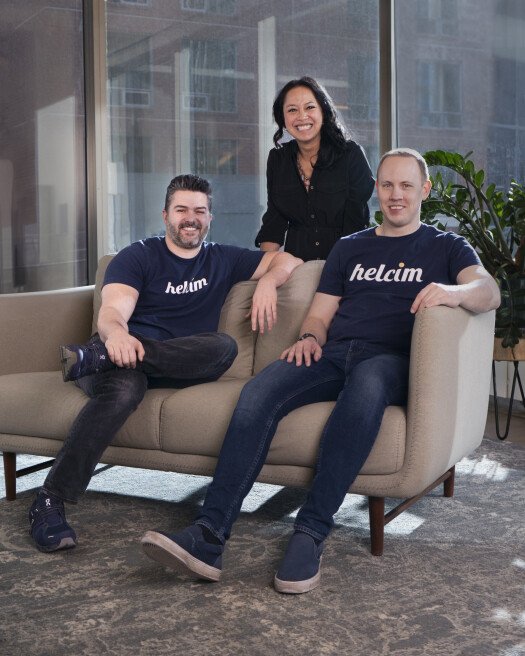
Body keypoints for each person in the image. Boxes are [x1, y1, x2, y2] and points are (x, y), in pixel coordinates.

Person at [140, 149, 500, 594]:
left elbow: (489, 291)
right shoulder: (350, 247)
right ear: (376, 190)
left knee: (367, 386)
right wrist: (309, 337)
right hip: (333, 353)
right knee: (259, 391)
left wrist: (451, 290)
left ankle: (310, 532)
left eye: (406, 185)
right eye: (387, 184)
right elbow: (320, 316)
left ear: (424, 190)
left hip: (391, 359)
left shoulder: (446, 246)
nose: (395, 194)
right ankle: (209, 534)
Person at [29, 174, 302, 553]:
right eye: (181, 210)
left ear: (209, 218)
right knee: (127, 387)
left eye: (199, 211)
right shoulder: (138, 255)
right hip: (118, 356)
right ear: (165, 215)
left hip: (174, 363)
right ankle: (48, 503)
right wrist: (117, 339)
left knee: (223, 347)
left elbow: (288, 258)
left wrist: (269, 282)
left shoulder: (223, 258)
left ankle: (94, 359)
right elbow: (111, 313)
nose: (190, 218)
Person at [255, 76, 375, 261]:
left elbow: (356, 222)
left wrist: (342, 273)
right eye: (292, 110)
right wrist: (263, 270)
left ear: (323, 111)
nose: (302, 116)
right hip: (296, 268)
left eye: (310, 107)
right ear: (283, 117)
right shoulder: (278, 159)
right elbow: (274, 222)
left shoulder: (350, 154)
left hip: (344, 263)